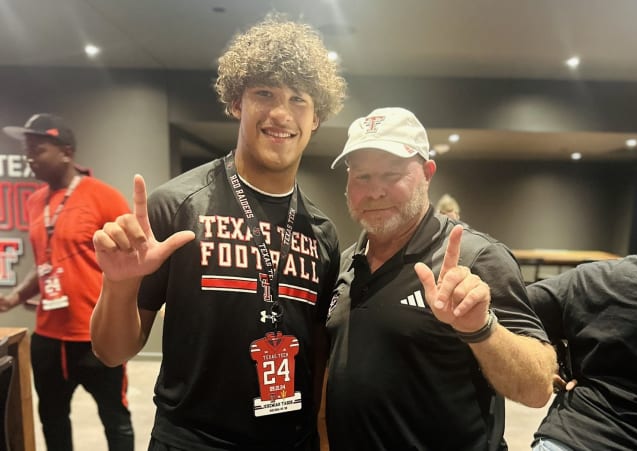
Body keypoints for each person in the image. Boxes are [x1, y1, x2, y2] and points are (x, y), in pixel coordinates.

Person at [89, 14, 347, 451]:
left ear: (316, 116)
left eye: (298, 99)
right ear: (236, 103)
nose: (281, 113)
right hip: (191, 440)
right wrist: (119, 284)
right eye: (264, 93)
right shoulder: (177, 206)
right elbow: (111, 352)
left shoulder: (322, 232)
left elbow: (319, 355)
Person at [325, 107, 556, 451]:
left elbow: (537, 387)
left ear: (428, 173)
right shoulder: (344, 263)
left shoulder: (476, 258)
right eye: (362, 177)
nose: (375, 191)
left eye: (392, 174)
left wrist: (481, 328)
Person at [0, 113, 134, 450]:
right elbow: (46, 264)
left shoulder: (103, 196)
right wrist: (13, 298)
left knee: (115, 419)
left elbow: (133, 261)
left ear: (66, 151)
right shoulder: (35, 202)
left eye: (38, 149)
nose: (30, 157)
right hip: (47, 336)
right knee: (52, 417)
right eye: (27, 149)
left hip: (95, 337)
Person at [527, 255, 637, 451]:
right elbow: (513, 310)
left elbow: (509, 309)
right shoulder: (605, 281)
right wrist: (550, 356)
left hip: (579, 436)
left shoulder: (606, 278)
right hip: (584, 434)